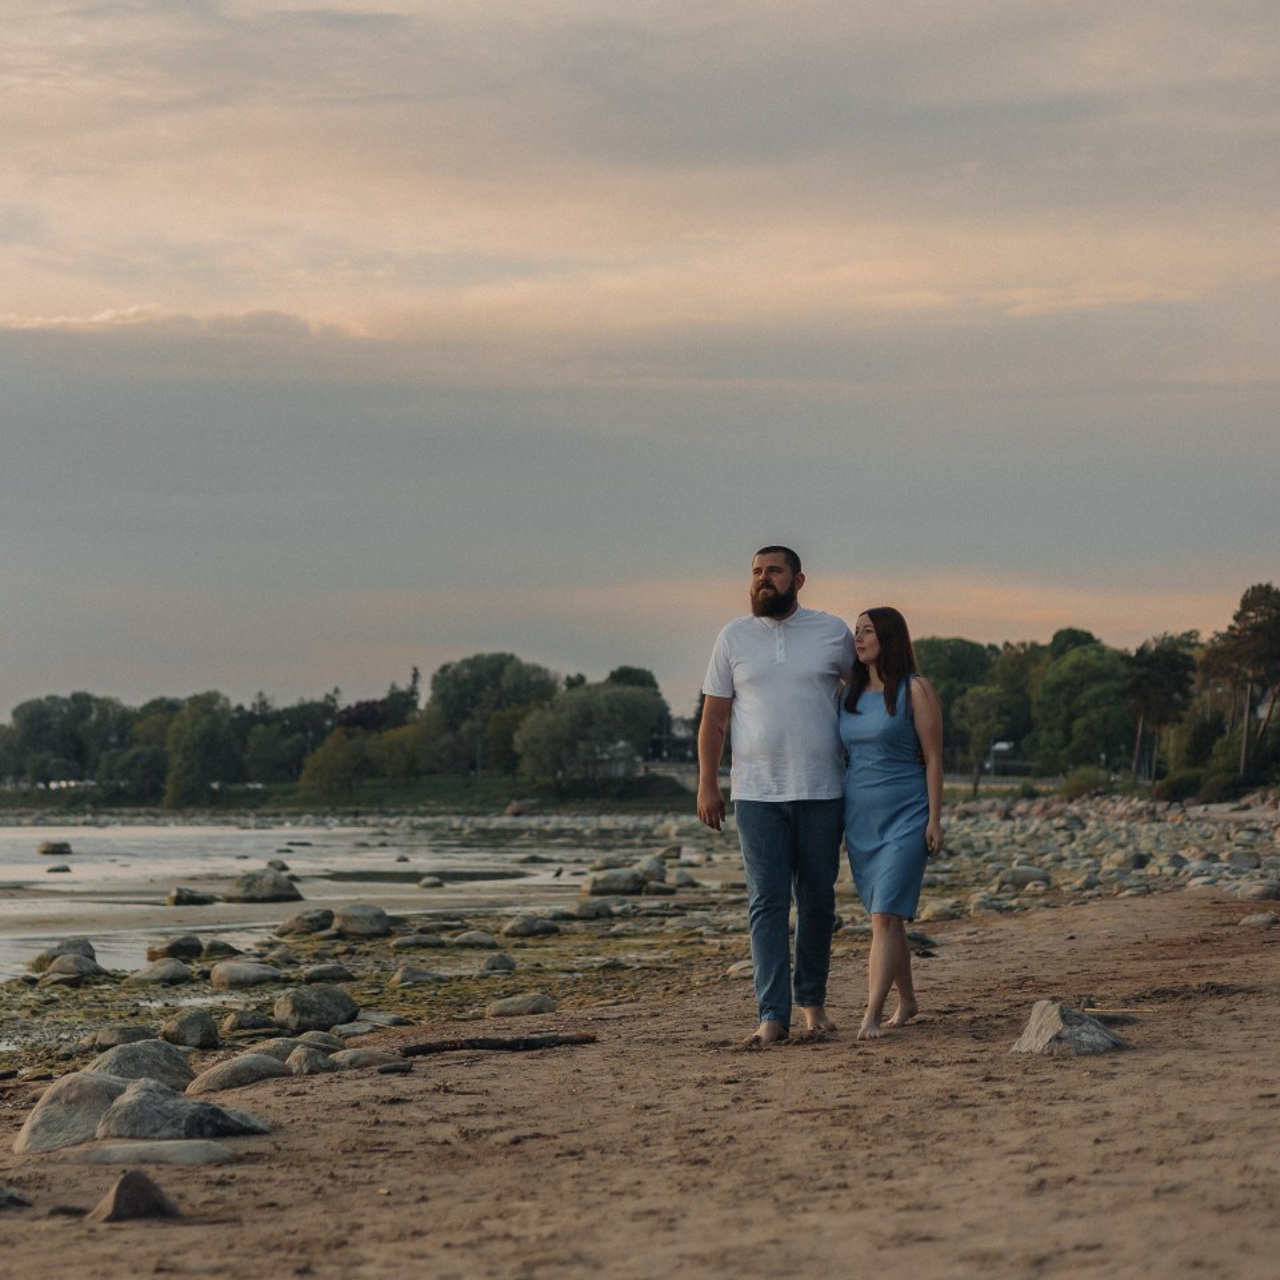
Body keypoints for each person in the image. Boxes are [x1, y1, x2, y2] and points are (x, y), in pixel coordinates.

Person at [697, 546, 854, 1047]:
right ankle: (772, 1015)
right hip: (757, 794)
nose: (763, 580)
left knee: (817, 900)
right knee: (766, 902)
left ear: (798, 580)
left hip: (823, 789)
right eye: (757, 572)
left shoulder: (833, 632)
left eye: (774, 572)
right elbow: (714, 719)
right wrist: (707, 783)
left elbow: (868, 694)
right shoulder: (732, 637)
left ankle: (812, 1004)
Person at [840, 607, 945, 1040]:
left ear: (889, 637)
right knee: (890, 916)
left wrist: (935, 819)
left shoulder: (915, 689)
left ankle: (870, 1015)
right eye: (856, 631)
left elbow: (935, 757)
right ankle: (907, 1000)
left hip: (907, 814)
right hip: (860, 817)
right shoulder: (848, 692)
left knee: (883, 915)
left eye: (868, 631)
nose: (859, 638)